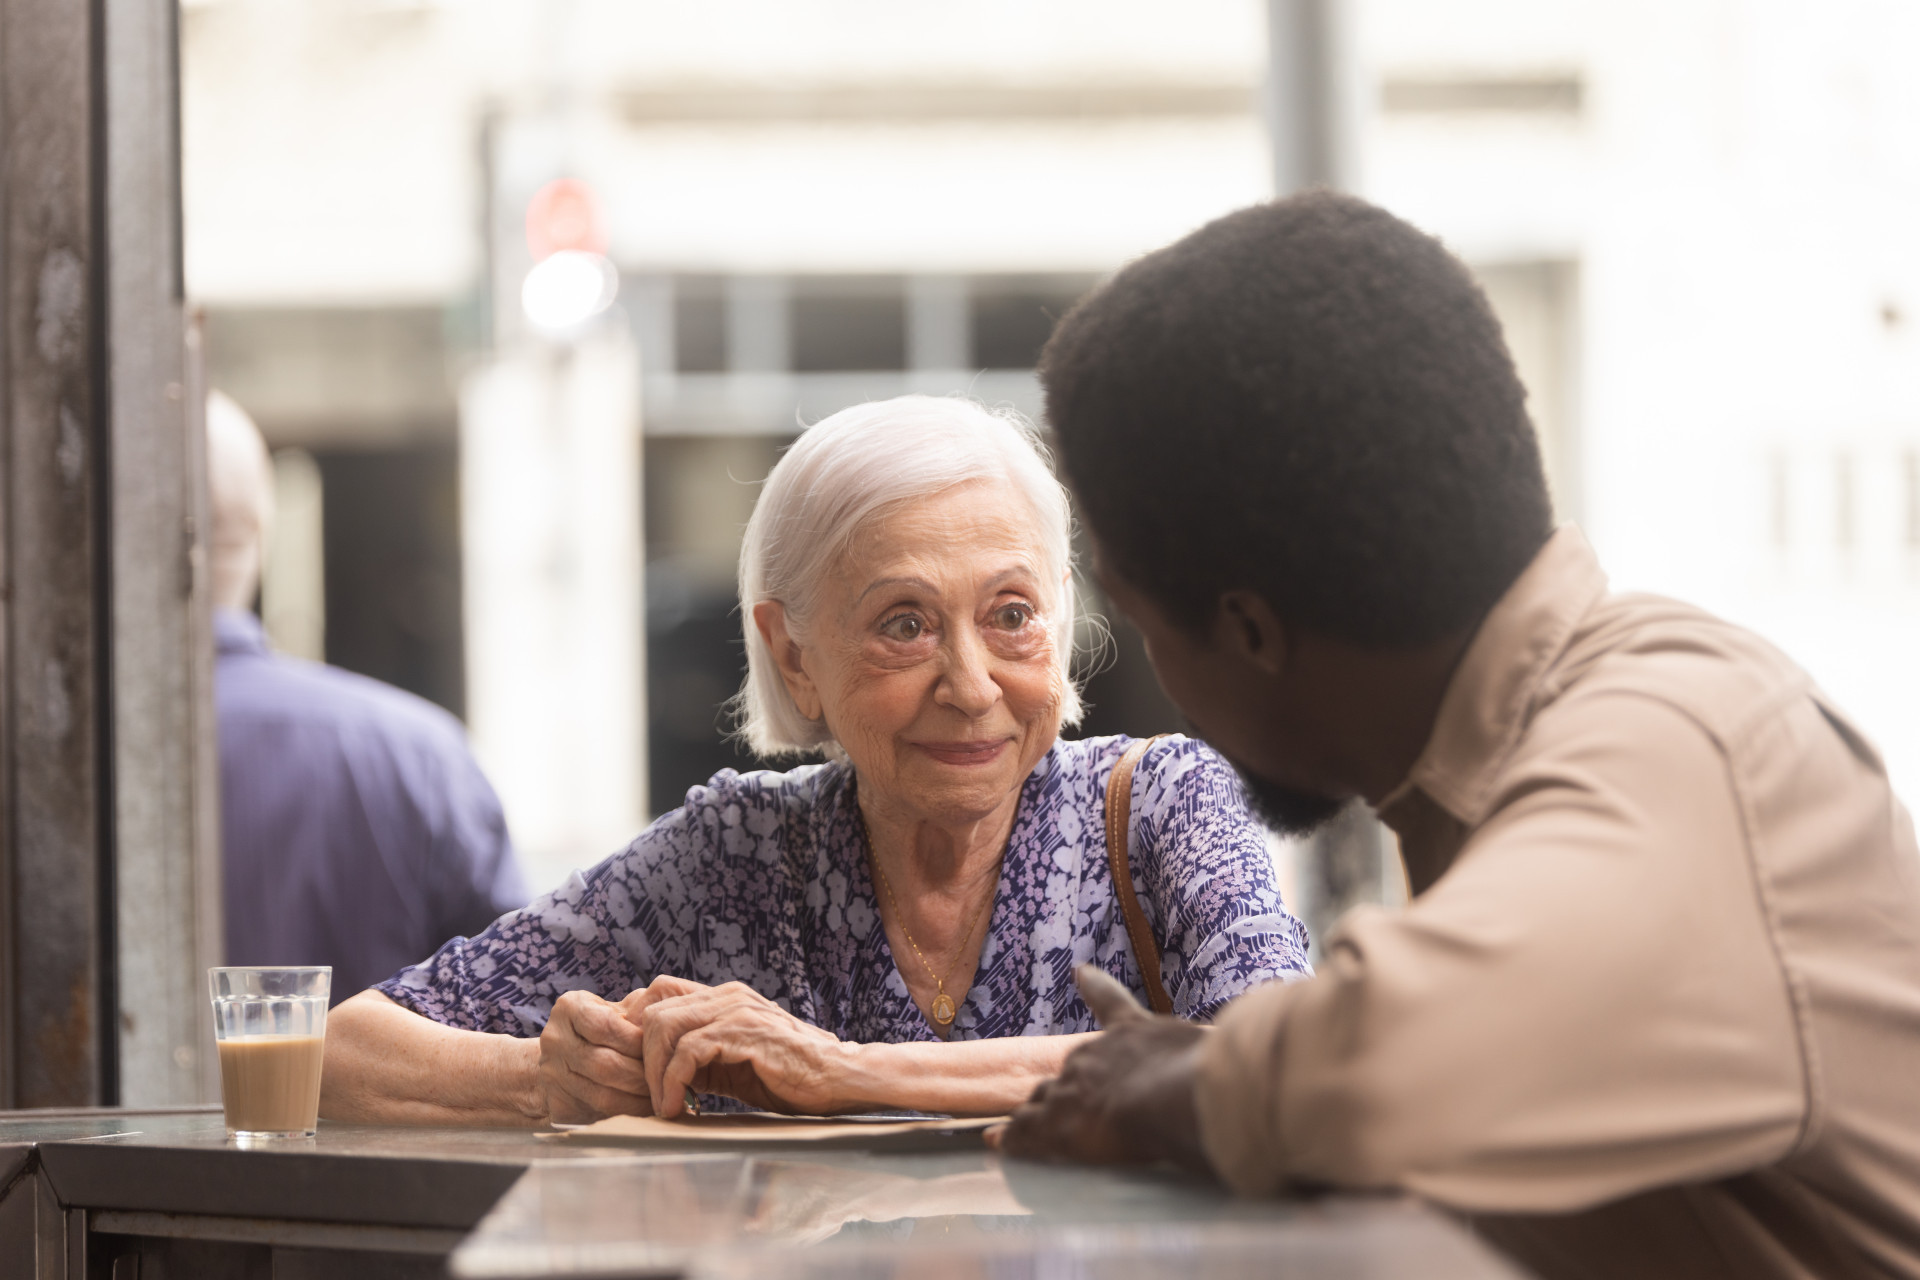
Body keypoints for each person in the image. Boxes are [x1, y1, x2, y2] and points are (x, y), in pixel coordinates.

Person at [994, 192, 1920, 1280]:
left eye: (1146, 626)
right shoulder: (1508, 759)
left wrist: (1174, 1090)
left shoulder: (1681, 736)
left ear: (1248, 627)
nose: (1163, 684)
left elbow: (1385, 1068)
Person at [320, 395, 1311, 1125]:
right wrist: (546, 1078)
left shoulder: (1165, 807)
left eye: (1011, 614)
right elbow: (339, 1052)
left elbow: (1282, 1066)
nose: (970, 683)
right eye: (905, 623)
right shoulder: (738, 852)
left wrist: (836, 1072)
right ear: (796, 655)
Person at [208, 390, 531, 1004]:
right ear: (258, 529)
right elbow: (520, 1013)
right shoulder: (424, 757)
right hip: (351, 1107)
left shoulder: (41, 758)